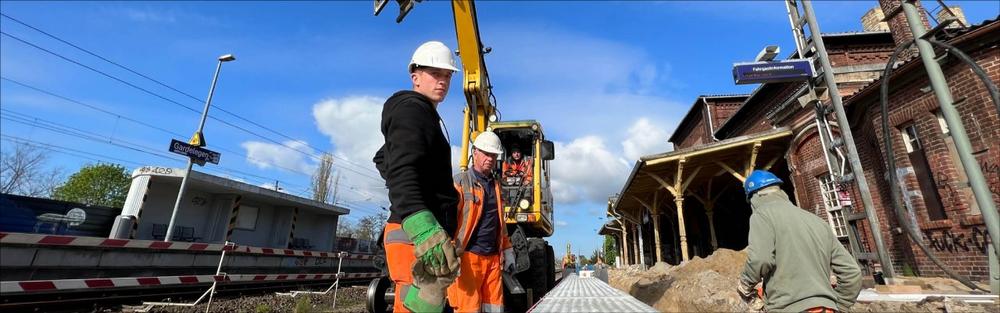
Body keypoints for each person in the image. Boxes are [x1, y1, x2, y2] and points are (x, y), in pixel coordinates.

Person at [373, 40, 462, 313]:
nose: (443, 81)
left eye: (447, 76)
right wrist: (421, 223)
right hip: (413, 235)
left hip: (419, 233)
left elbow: (383, 157)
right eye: (435, 74)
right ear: (415, 76)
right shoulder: (412, 110)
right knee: (417, 308)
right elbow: (401, 169)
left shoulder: (422, 116)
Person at [738, 170, 862, 313]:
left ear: (754, 198)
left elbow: (761, 259)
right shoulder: (818, 222)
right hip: (826, 308)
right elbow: (852, 273)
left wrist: (745, 283)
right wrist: (839, 305)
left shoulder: (761, 215)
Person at [448, 131, 515, 313]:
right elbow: (449, 222)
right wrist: (450, 252)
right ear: (474, 152)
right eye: (486, 153)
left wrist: (507, 250)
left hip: (493, 259)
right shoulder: (460, 182)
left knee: (494, 308)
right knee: (468, 308)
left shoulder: (496, 185)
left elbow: (499, 223)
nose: (490, 158)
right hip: (468, 258)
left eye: (493, 155)